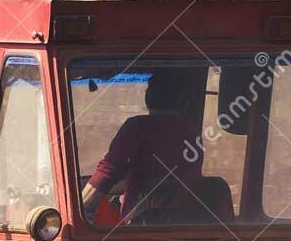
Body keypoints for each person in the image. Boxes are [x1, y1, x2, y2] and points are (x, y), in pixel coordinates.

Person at [81, 71, 203, 224]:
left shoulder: (137, 126)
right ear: (184, 101)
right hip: (186, 221)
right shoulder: (191, 132)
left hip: (142, 224)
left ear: (148, 97)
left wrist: (78, 210)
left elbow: (108, 172)